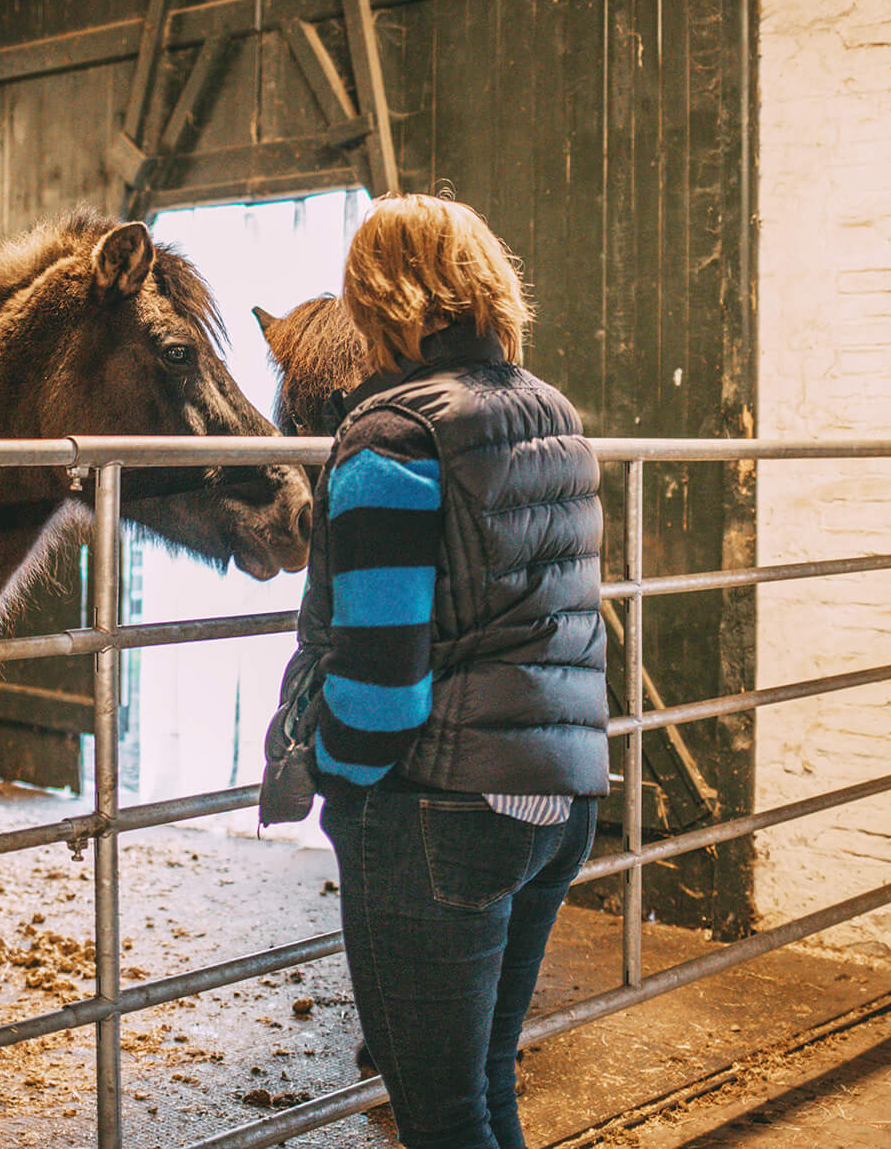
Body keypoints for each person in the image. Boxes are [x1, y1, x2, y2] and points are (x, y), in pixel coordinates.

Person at [290, 194, 607, 1149]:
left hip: (441, 809)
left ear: (374, 297)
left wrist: (338, 776)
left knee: (434, 1113)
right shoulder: (547, 410)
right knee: (483, 1090)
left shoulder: (393, 434)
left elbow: (381, 676)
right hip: (559, 798)